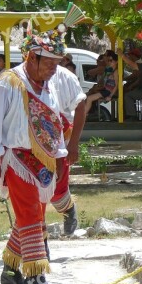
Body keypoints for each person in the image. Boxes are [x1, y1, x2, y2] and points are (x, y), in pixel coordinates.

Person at [0, 11, 86, 284]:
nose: (53, 68)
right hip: (18, 160)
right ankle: (35, 277)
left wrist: (62, 154)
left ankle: (10, 270)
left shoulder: (51, 83)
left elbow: (57, 121)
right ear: (31, 58)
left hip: (45, 162)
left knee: (35, 214)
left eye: (56, 63)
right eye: (48, 63)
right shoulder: (8, 82)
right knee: (29, 217)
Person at [49, 54, 87, 237]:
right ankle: (38, 244)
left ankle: (68, 208)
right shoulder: (20, 77)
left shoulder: (66, 77)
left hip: (60, 136)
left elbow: (81, 106)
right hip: (30, 138)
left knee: (57, 186)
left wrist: (73, 144)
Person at [84, 51, 117, 117]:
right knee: (88, 96)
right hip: (105, 90)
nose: (109, 62)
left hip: (108, 91)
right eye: (108, 60)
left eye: (111, 60)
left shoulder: (116, 71)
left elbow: (116, 85)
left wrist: (110, 96)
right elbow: (103, 80)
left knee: (89, 98)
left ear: (116, 61)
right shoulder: (109, 69)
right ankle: (88, 113)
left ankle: (83, 115)